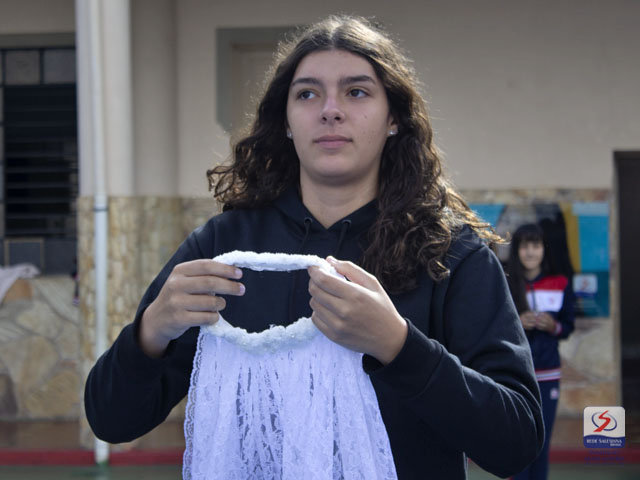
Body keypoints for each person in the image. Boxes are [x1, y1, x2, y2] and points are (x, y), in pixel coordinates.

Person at [85, 15, 544, 479]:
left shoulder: (450, 253)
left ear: (393, 119)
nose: (330, 110)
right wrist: (151, 332)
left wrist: (398, 345)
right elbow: (111, 421)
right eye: (307, 94)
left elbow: (516, 441)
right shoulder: (224, 248)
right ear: (285, 121)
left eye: (356, 92)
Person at [506, 223, 575, 480]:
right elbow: (493, 327)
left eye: (535, 245)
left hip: (548, 374)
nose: (530, 252)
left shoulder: (560, 283)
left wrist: (553, 326)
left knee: (542, 442)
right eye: (524, 246)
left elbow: (567, 326)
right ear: (517, 250)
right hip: (516, 375)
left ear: (544, 249)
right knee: (519, 439)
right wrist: (517, 323)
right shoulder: (506, 283)